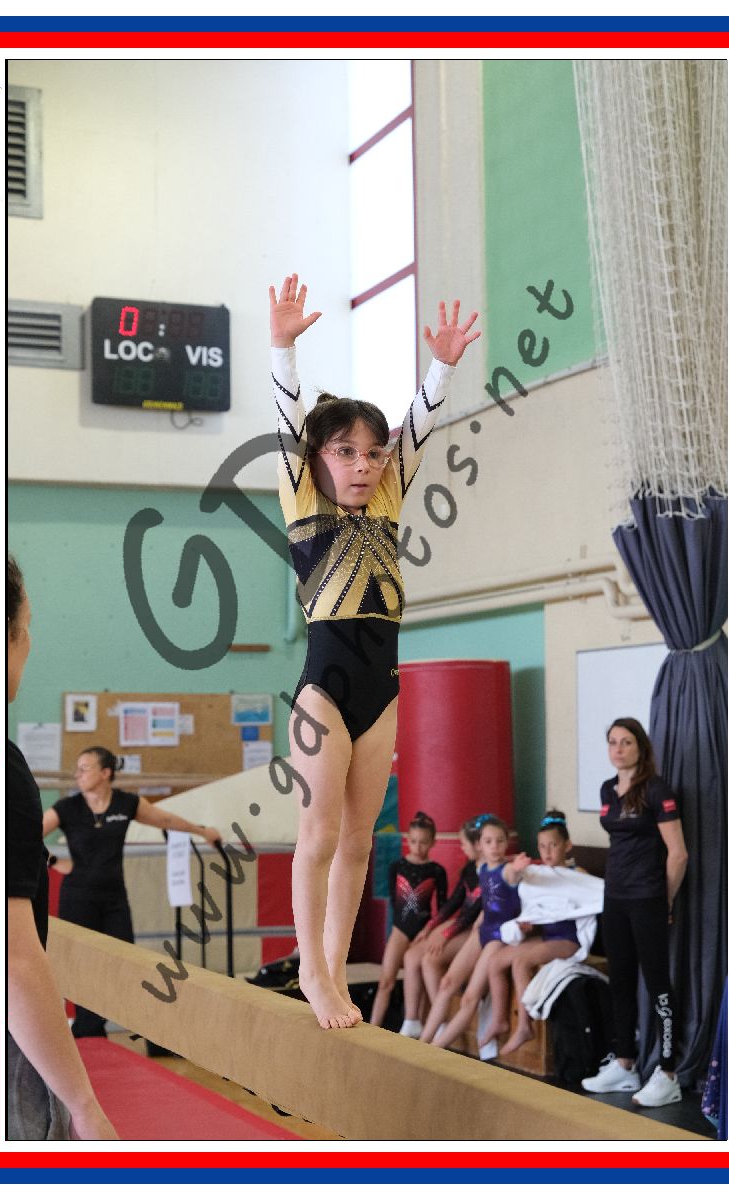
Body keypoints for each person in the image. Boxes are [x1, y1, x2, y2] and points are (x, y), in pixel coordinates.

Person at [270, 272, 480, 1030]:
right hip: (323, 687)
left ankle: (329, 968)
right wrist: (283, 349)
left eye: (373, 454)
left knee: (360, 840)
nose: (363, 465)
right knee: (319, 835)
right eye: (345, 452)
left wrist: (442, 369)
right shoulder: (302, 496)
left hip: (382, 687)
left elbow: (416, 428)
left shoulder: (387, 497)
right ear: (318, 457)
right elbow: (287, 416)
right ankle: (311, 970)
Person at [6, 555, 117, 1140]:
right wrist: (84, 1104)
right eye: (27, 627)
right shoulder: (5, 773)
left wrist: (203, 833)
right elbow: (15, 961)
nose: (31, 642)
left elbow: (161, 815)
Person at [43, 749, 222, 1038]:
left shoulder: (126, 803)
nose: (78, 774)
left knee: (122, 960)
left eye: (85, 768)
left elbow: (165, 820)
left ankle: (102, 1024)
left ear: (105, 773)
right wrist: (53, 862)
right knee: (82, 964)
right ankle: (87, 1029)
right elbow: (29, 835)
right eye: (77, 769)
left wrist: (201, 831)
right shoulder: (67, 807)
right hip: (78, 897)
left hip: (114, 897)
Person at [582, 718, 688, 1107]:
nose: (618, 749)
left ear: (641, 747)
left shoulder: (657, 790)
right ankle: (625, 1063)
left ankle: (668, 1073)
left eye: (626, 742)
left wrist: (666, 900)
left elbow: (678, 853)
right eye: (612, 742)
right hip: (615, 897)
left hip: (647, 898)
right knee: (621, 981)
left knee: (657, 983)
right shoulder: (607, 789)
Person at [419, 814, 529, 1049]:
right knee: (447, 982)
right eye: (488, 842)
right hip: (483, 929)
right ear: (479, 845)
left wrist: (518, 868)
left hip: (499, 936)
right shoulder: (482, 868)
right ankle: (422, 1042)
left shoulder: (507, 869)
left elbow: (512, 875)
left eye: (500, 841)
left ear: (507, 843)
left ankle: (435, 1048)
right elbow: (484, 902)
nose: (495, 847)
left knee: (470, 997)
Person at [495, 810, 595, 1057]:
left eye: (553, 845)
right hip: (547, 935)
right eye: (542, 846)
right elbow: (511, 881)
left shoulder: (579, 875)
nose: (547, 852)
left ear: (567, 845)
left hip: (568, 939)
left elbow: (594, 898)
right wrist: (529, 924)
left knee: (521, 962)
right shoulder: (538, 874)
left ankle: (524, 1026)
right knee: (496, 960)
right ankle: (498, 1019)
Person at [399, 819, 482, 1037]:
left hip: (472, 929)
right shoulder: (470, 868)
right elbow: (454, 902)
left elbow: (472, 914)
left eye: (464, 844)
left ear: (478, 844)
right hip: (460, 924)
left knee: (430, 960)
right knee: (410, 956)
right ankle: (411, 1020)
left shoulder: (489, 872)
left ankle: (441, 1022)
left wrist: (445, 935)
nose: (462, 848)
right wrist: (430, 927)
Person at [369, 812, 447, 1027]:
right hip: (400, 931)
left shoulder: (436, 871)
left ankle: (418, 1028)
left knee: (419, 985)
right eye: (413, 841)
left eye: (423, 842)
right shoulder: (397, 867)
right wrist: (398, 931)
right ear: (407, 840)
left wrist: (428, 932)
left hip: (423, 932)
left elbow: (442, 909)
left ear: (433, 842)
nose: (418, 847)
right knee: (386, 982)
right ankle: (372, 1027)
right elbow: (394, 903)